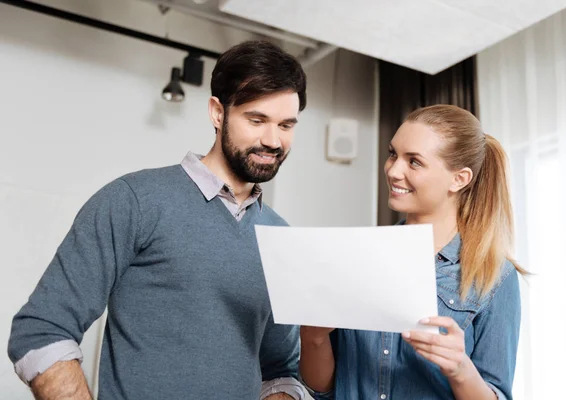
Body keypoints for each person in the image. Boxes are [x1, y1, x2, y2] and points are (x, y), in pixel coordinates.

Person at [8, 40, 307, 400]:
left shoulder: (283, 240)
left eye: (286, 125)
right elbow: (41, 330)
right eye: (257, 120)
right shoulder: (133, 201)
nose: (273, 140)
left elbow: (279, 374)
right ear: (217, 112)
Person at [300, 104, 527, 400]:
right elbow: (323, 389)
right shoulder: (358, 257)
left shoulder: (496, 277)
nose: (393, 170)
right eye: (393, 154)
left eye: (414, 162)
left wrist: (460, 369)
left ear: (459, 179)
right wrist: (313, 336)